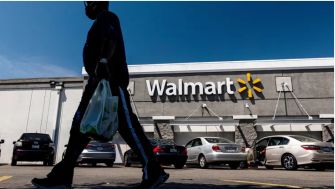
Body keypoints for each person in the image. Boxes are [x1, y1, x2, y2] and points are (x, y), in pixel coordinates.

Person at [31, 1, 169, 189]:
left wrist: (104, 60)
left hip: (110, 80)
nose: (86, 5)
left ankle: (153, 170)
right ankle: (62, 176)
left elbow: (111, 40)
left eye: (89, 1)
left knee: (128, 126)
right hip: (97, 82)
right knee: (80, 127)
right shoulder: (98, 24)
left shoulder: (108, 17)